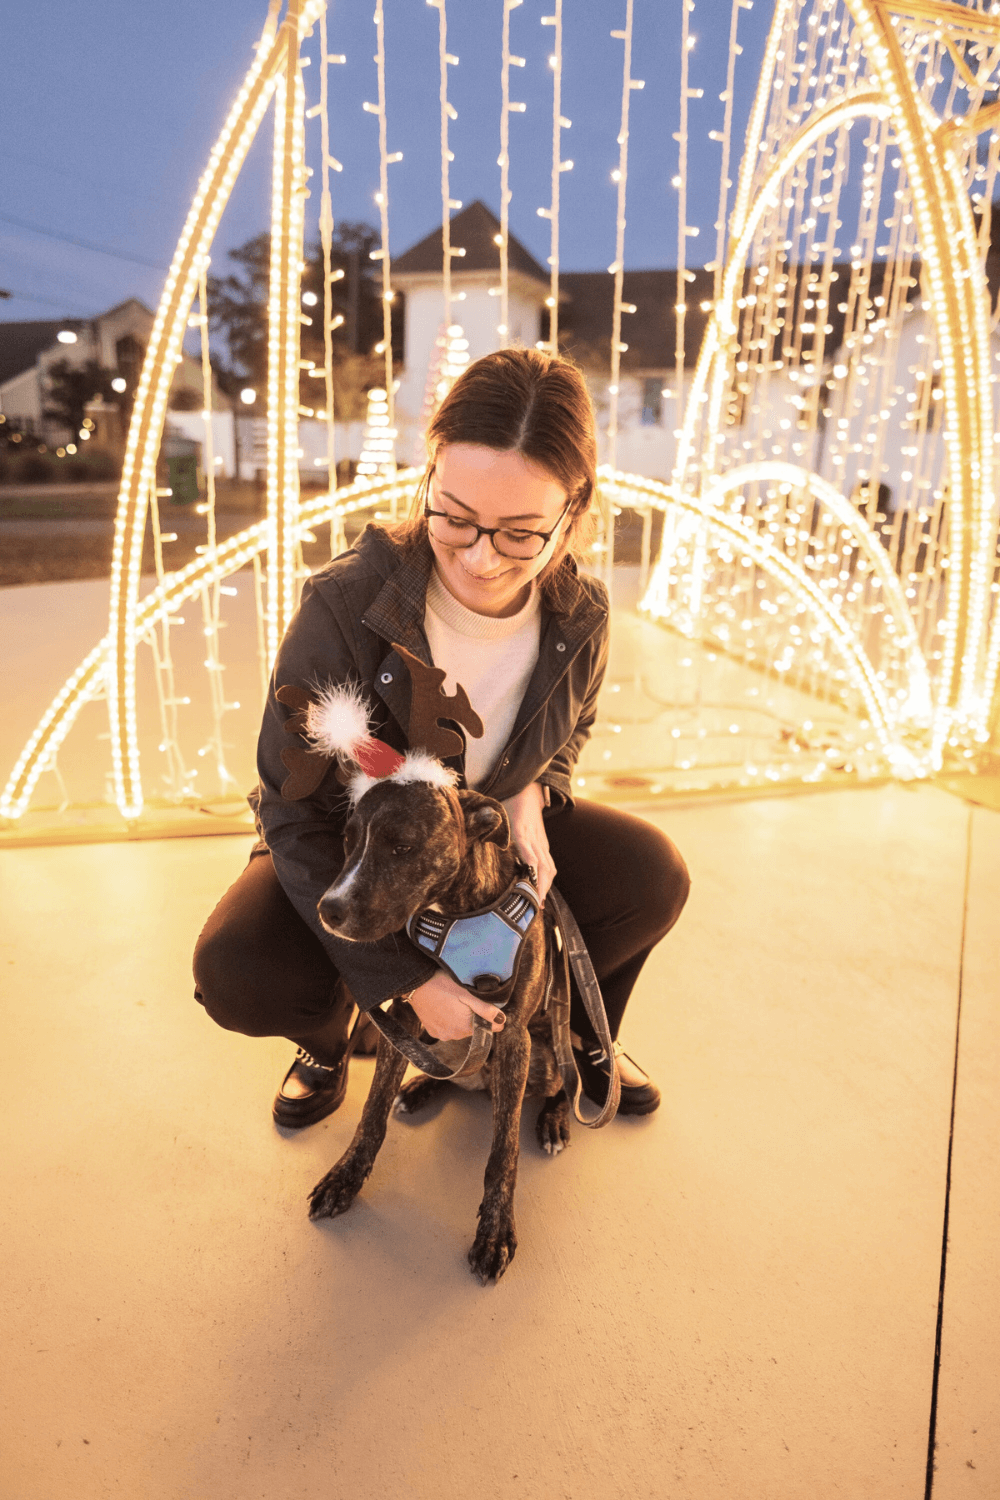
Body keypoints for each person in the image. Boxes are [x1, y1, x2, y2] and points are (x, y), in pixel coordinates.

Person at [193, 347, 690, 1127]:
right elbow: (292, 811)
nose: (482, 558)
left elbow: (574, 725)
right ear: (429, 472)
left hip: (482, 847)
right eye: (454, 517)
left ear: (574, 509)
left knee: (651, 874)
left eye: (521, 533)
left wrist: (535, 788)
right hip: (355, 843)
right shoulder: (346, 604)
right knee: (239, 968)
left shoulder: (580, 615)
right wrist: (401, 980)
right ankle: (335, 1039)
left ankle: (586, 1033)